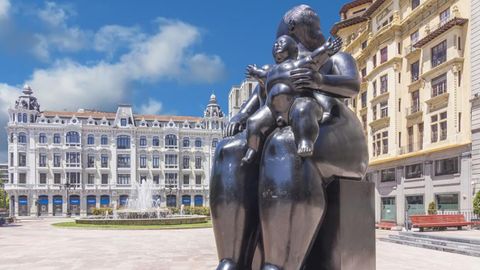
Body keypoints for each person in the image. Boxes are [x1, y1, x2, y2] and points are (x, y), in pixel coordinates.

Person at [210, 5, 368, 270]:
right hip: (286, 123)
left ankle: (279, 264)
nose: (320, 29)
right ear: (294, 28)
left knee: (285, 143)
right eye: (313, 24)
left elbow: (352, 86)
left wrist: (318, 81)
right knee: (229, 150)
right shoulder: (276, 70)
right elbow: (253, 104)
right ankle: (232, 260)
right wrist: (239, 117)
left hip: (334, 129)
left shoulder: (334, 57)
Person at [242, 34, 341, 163]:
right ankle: (252, 149)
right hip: (272, 111)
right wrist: (254, 71)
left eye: (281, 43)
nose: (277, 45)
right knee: (253, 121)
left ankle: (305, 140)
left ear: (293, 50)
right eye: (275, 44)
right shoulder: (270, 71)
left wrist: (326, 50)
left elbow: (314, 59)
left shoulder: (298, 64)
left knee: (303, 110)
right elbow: (260, 76)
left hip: (295, 104)